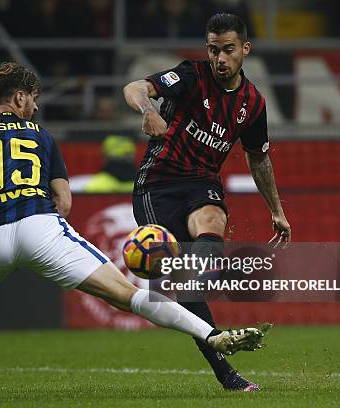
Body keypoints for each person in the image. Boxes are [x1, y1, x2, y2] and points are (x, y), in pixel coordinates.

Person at [0, 62, 268, 401]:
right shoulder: (40, 136)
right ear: (19, 98)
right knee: (129, 295)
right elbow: (64, 200)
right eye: (33, 98)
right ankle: (211, 334)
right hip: (41, 228)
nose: (35, 106)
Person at [123, 13, 291, 392]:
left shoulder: (252, 103)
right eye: (213, 49)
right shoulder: (191, 76)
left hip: (202, 183)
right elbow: (134, 87)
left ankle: (193, 283)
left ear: (245, 49)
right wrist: (148, 110)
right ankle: (224, 369)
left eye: (228, 50)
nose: (219, 58)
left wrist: (276, 210)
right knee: (185, 279)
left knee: (211, 224)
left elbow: (258, 157)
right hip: (158, 185)